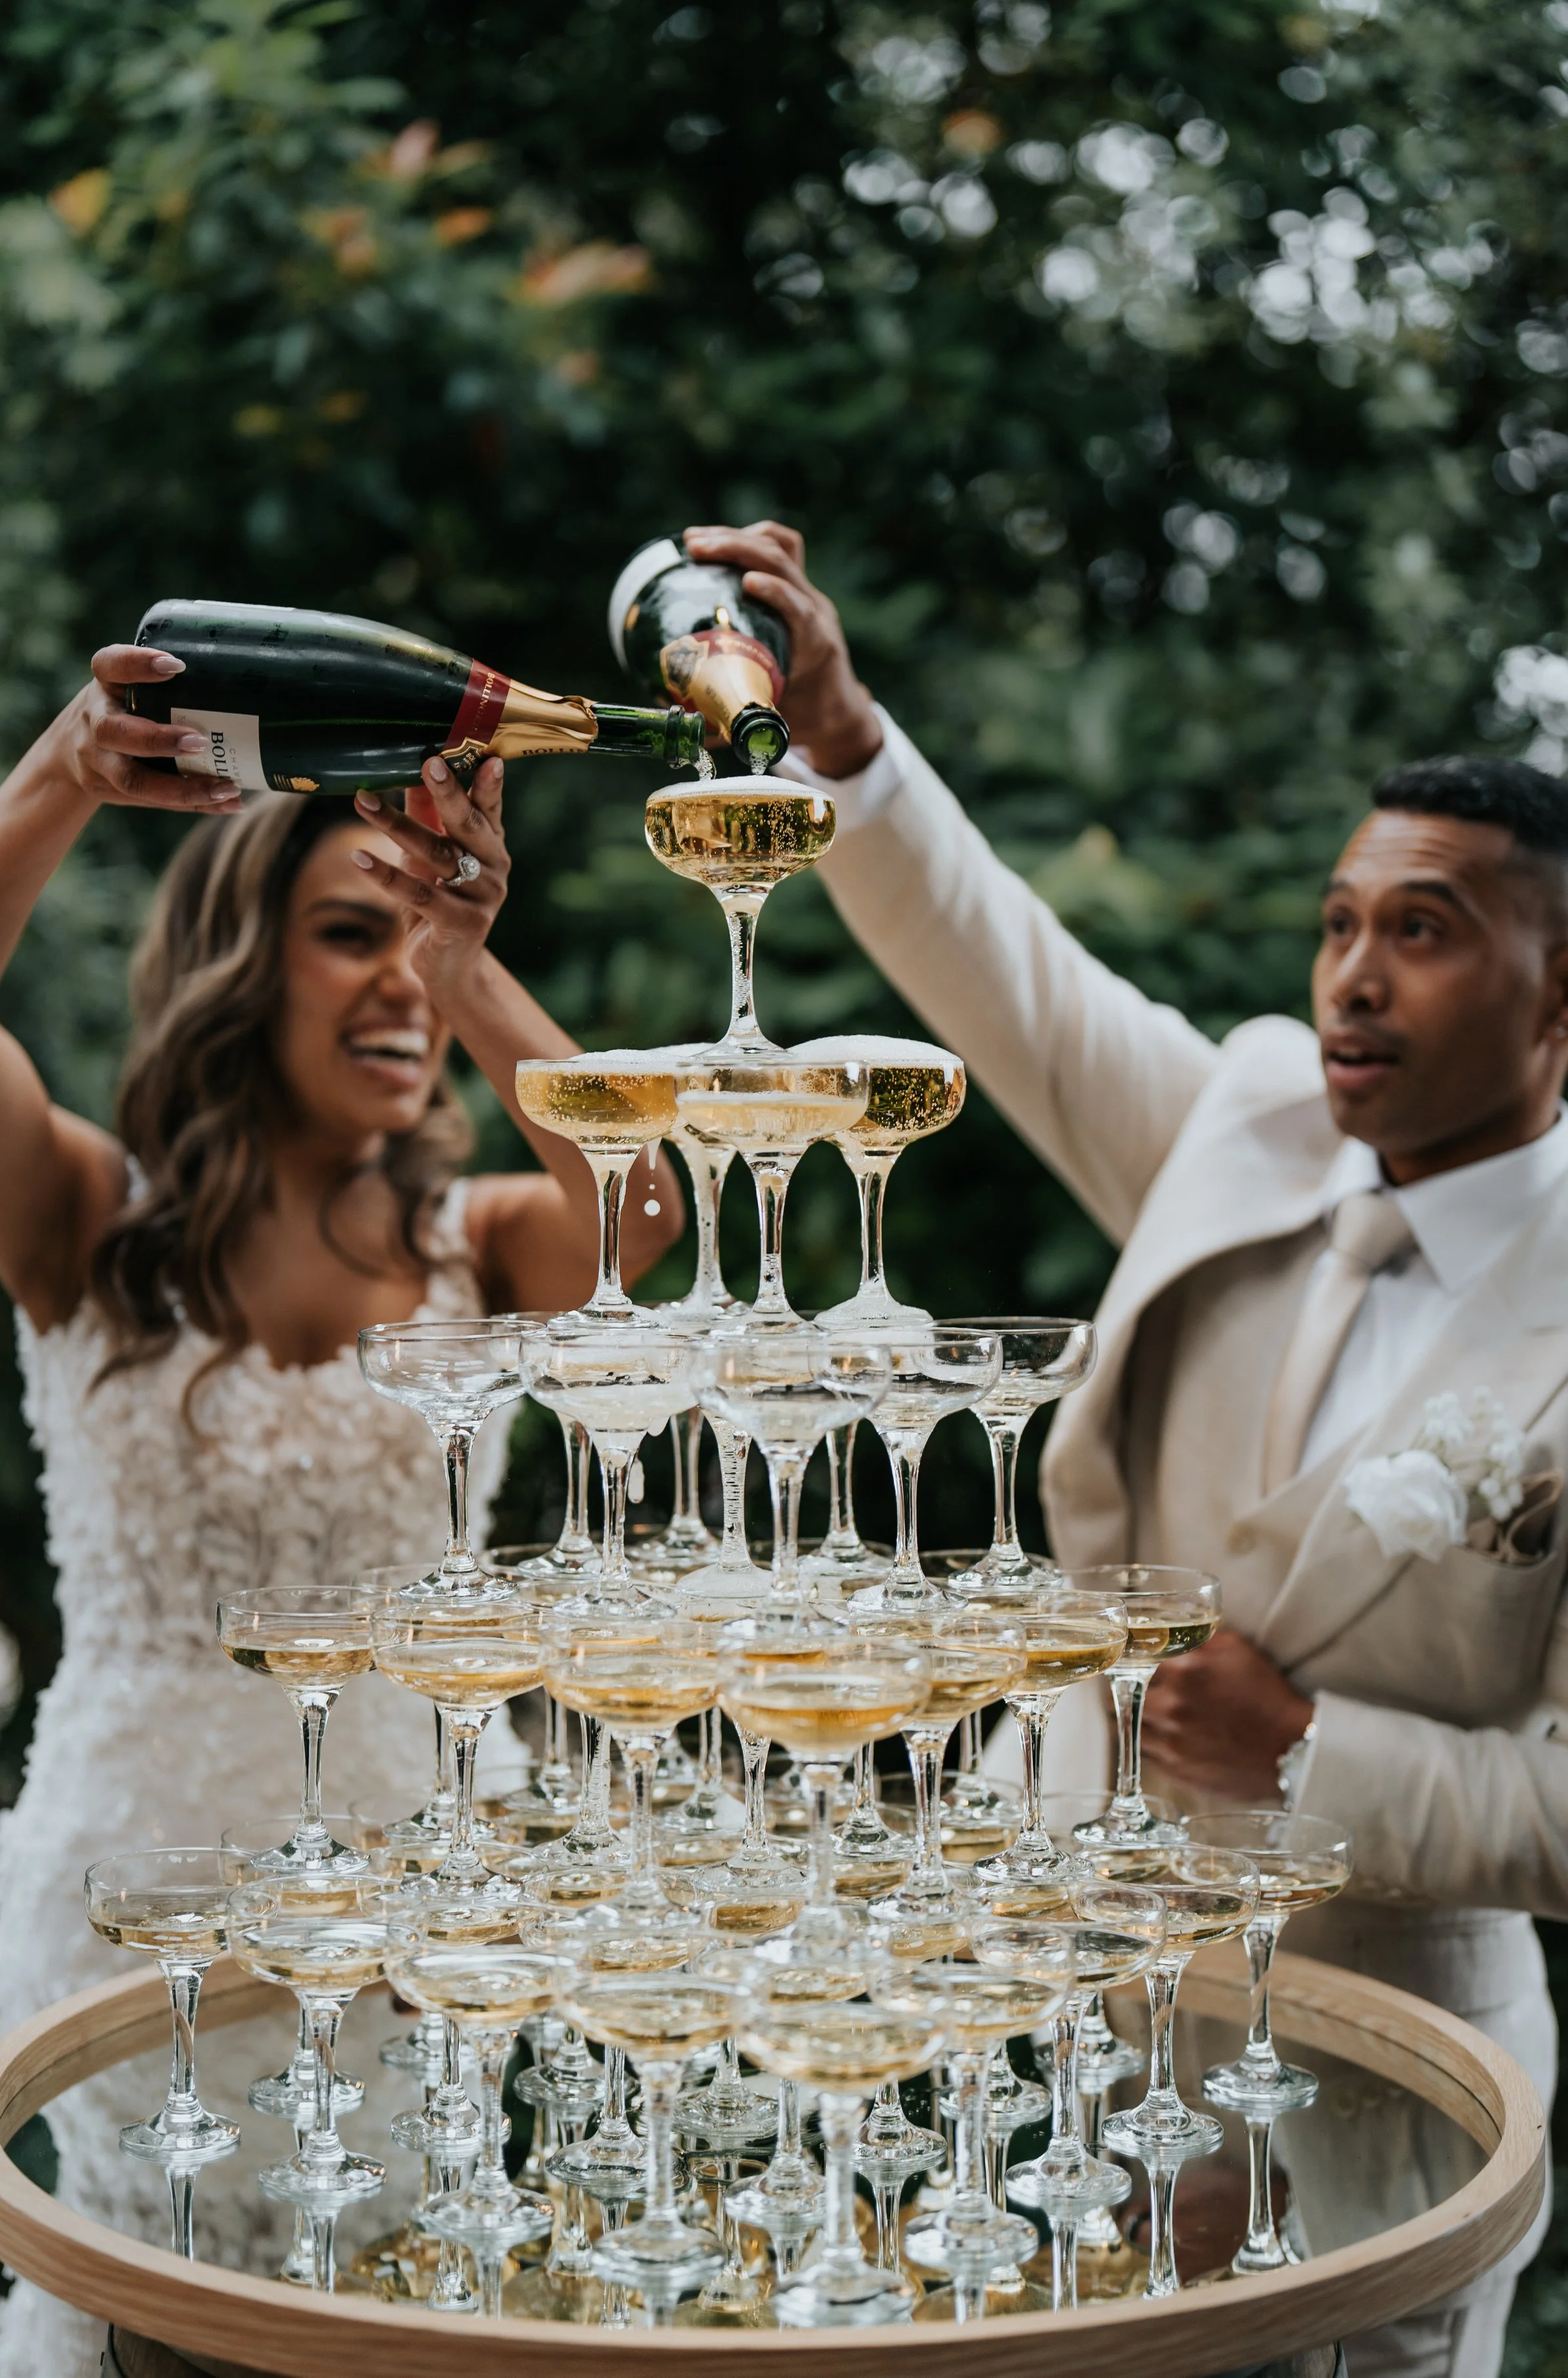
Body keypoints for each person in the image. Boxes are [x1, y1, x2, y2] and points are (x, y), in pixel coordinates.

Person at [688, 520, 1568, 2377]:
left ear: (1558, 999)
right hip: (1069, 2047)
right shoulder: (1247, 1123)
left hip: (1390, 2082)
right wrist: (843, 739)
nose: (1351, 974)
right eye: (1338, 920)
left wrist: (1305, 1746)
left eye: (1423, 931)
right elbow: (1015, 985)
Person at [0, 644, 684, 2375]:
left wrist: (468, 954)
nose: (400, 980)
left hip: (426, 1921)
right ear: (237, 959)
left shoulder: (480, 1245)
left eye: (418, 935)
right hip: (135, 1918)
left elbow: (650, 1204)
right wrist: (59, 772)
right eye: (356, 928)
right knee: (142, 2325)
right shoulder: (77, 1219)